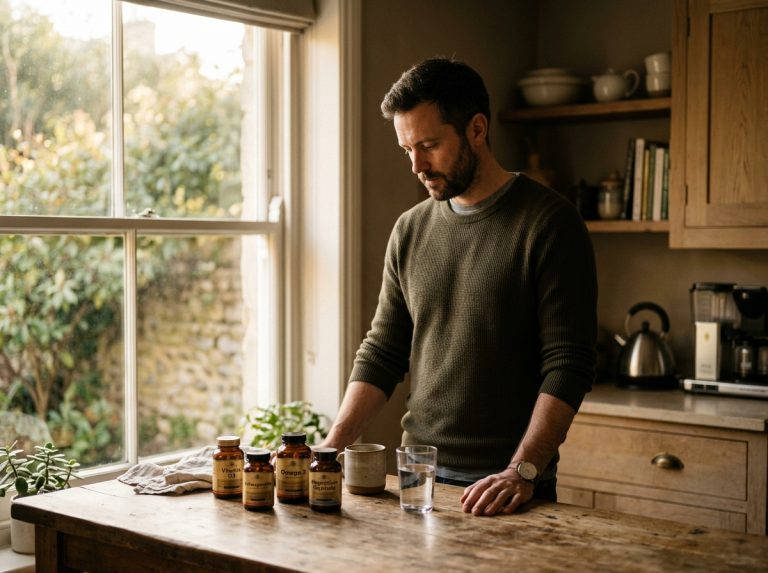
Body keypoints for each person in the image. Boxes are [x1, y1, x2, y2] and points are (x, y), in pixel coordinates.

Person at [321, 57, 597, 516]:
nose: (416, 165)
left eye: (429, 144)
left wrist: (523, 470)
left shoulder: (550, 223)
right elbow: (384, 350)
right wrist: (330, 446)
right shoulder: (409, 229)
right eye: (407, 149)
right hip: (417, 476)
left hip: (506, 483)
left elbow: (569, 364)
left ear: (477, 129)